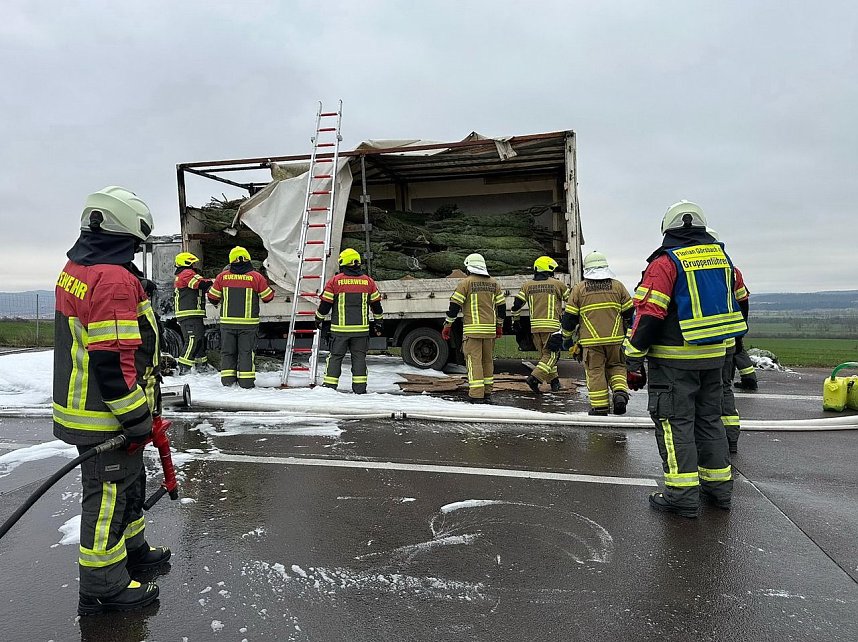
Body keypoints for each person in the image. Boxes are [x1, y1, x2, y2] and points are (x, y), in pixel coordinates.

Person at [54, 186, 170, 615]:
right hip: (106, 414)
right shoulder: (114, 280)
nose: (136, 256)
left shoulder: (77, 268)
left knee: (129, 486)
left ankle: (133, 551)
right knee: (107, 498)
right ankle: (104, 586)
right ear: (127, 236)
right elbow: (110, 362)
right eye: (136, 247)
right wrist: (137, 418)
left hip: (87, 406)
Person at [624, 200, 747, 518]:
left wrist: (633, 359)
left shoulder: (665, 262)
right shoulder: (721, 258)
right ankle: (719, 490)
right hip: (716, 357)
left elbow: (649, 314)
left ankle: (680, 496)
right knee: (710, 421)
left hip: (675, 360)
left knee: (675, 423)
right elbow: (738, 302)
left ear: (668, 227)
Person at [553, 251, 633, 415]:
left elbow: (569, 319)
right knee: (617, 367)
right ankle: (619, 393)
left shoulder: (579, 289)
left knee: (595, 372)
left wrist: (566, 339)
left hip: (591, 342)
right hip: (616, 340)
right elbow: (629, 314)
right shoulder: (618, 286)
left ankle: (600, 407)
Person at [315, 248, 384, 394]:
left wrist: (318, 319)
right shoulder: (368, 282)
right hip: (361, 332)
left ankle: (329, 388)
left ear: (343, 262)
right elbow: (377, 306)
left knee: (335, 358)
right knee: (359, 358)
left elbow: (325, 305)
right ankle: (359, 390)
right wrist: (379, 323)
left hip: (340, 332)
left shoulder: (335, 281)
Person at [207, 246, 275, 388]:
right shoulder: (256, 277)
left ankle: (227, 382)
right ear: (248, 259)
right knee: (246, 353)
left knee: (227, 352)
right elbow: (268, 297)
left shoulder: (222, 277)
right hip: (248, 325)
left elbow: (212, 298)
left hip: (227, 324)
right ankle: (246, 383)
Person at [442, 253, 506, 403]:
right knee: (488, 361)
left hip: (473, 331)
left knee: (474, 361)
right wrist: (499, 326)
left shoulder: (465, 283)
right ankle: (487, 392)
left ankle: (476, 395)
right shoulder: (494, 283)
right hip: (489, 331)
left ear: (469, 267)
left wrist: (448, 325)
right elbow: (502, 308)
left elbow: (454, 307)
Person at [510, 256, 569, 393]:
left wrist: (516, 321)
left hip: (535, 328)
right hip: (552, 327)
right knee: (553, 355)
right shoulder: (557, 284)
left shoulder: (527, 285)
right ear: (548, 268)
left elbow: (516, 305)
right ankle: (534, 378)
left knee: (545, 356)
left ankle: (555, 383)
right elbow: (571, 301)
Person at [173, 252, 212, 374]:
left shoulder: (184, 274)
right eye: (193, 263)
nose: (194, 265)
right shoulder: (186, 274)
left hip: (192, 313)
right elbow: (200, 284)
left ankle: (202, 366)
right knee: (193, 340)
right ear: (187, 262)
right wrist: (213, 282)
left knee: (198, 340)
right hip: (189, 313)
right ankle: (183, 368)